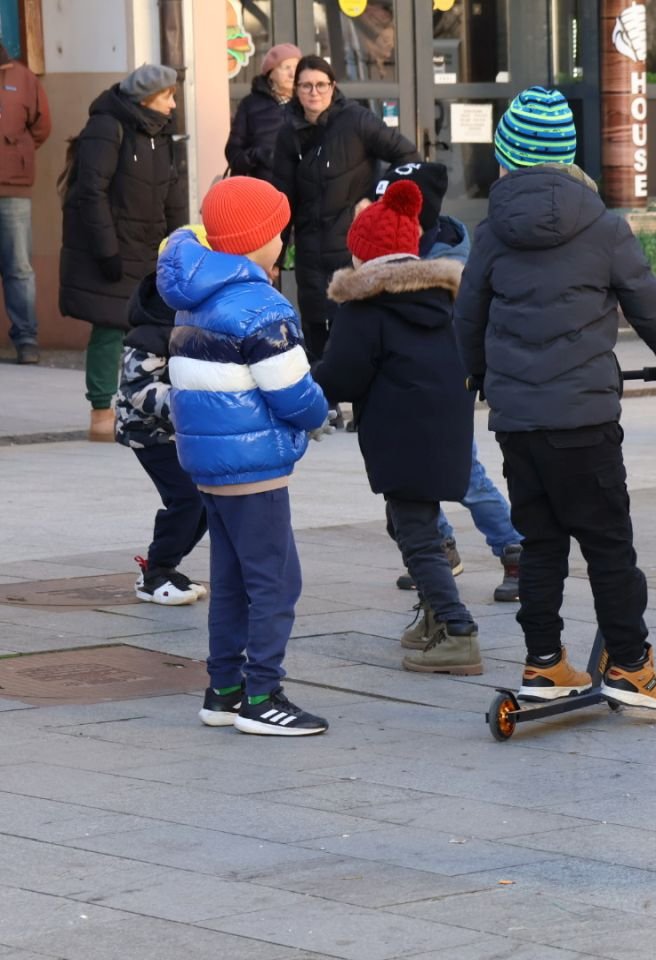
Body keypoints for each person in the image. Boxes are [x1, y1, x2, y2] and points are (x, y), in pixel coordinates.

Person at [454, 87, 656, 710]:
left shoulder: (491, 231)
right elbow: (649, 301)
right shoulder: (602, 225)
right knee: (609, 544)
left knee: (540, 543)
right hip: (585, 419)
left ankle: (544, 663)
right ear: (567, 153)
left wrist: (475, 376)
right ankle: (632, 666)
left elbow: (469, 319)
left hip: (518, 423)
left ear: (507, 151)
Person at [159, 176, 332, 736]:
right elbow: (290, 389)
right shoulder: (259, 304)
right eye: (277, 231)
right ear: (258, 239)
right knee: (277, 581)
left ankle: (224, 689)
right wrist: (319, 413)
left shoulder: (195, 299)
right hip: (253, 464)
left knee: (232, 581)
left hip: (210, 465)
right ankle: (263, 695)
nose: (282, 241)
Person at [313, 180, 482, 675]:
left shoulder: (365, 308)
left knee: (415, 530)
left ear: (364, 254)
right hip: (446, 427)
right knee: (409, 522)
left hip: (400, 431)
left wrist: (302, 392)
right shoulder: (445, 299)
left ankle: (456, 629)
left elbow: (342, 373)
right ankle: (434, 615)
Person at [367, 161, 524, 602]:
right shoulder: (389, 251)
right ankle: (438, 549)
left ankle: (514, 549)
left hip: (441, 389)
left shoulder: (448, 264)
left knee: (465, 473)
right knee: (408, 477)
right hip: (397, 391)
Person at [271, 55, 417, 392]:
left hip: (355, 242)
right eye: (306, 85)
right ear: (296, 90)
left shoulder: (357, 120)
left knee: (353, 318)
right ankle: (326, 400)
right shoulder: (287, 130)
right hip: (309, 240)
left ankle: (364, 395)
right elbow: (283, 196)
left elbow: (407, 156)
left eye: (321, 85)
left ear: (333, 87)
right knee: (313, 319)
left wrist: (377, 199)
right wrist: (275, 256)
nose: (313, 92)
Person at [59, 64, 186, 442]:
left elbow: (173, 195)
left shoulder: (161, 134)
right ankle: (101, 411)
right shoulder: (107, 126)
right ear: (147, 97)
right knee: (110, 327)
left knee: (153, 328)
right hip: (112, 248)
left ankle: (142, 408)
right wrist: (106, 249)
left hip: (148, 248)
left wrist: (177, 244)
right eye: (168, 96)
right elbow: (90, 191)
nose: (173, 104)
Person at [115, 255, 208, 606]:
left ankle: (165, 567)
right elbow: (140, 390)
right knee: (186, 498)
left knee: (203, 501)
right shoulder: (147, 337)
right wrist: (189, 403)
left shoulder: (188, 332)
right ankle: (155, 572)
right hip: (149, 434)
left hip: (179, 433)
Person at [0, 45, 50, 365]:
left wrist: (17, 155)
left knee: (18, 267)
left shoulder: (24, 78)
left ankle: (26, 338)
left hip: (12, 188)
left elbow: (42, 127)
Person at [224, 42, 301, 183]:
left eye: (296, 67)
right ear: (270, 74)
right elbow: (233, 152)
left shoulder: (307, 101)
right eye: (286, 67)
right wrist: (257, 155)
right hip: (262, 190)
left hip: (301, 190)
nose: (292, 74)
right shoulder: (250, 105)